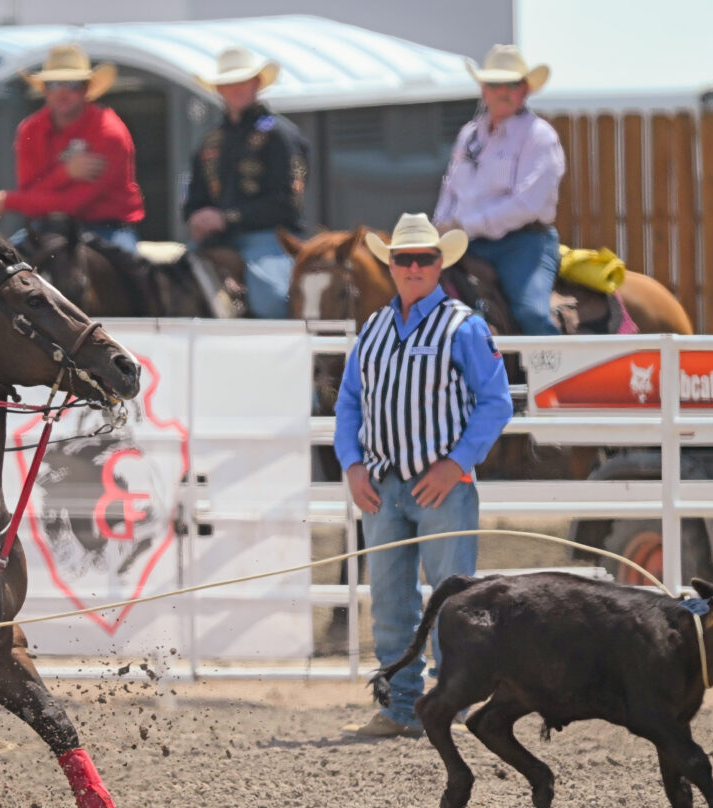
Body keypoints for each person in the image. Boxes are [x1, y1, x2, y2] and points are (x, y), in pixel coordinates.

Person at [335, 214, 512, 738]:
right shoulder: (373, 328)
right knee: (390, 599)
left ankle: (451, 704)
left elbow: (496, 402)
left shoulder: (465, 326)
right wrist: (352, 464)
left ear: (440, 264)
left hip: (442, 487)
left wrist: (455, 464)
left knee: (452, 600)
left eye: (424, 259)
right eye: (404, 259)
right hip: (383, 484)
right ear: (390, 265)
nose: (414, 267)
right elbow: (349, 402)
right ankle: (401, 705)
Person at [434, 44, 564, 338]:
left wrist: (462, 225)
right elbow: (450, 189)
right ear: (483, 89)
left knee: (530, 312)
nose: (502, 90)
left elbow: (526, 205)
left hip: (522, 244)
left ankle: (556, 377)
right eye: (494, 84)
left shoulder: (540, 136)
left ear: (525, 90)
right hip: (464, 242)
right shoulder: (469, 134)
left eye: (512, 84)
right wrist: (438, 226)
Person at [182, 45, 308, 319]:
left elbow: (286, 205)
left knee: (272, 300)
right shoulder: (209, 141)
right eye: (228, 83)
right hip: (214, 241)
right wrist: (195, 218)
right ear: (219, 90)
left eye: (243, 81)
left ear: (257, 83)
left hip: (269, 238)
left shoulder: (281, 135)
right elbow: (194, 198)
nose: (235, 88)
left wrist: (226, 218)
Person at [0, 44, 145, 254]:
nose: (62, 91)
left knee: (130, 276)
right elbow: (30, 193)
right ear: (43, 89)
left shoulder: (109, 132)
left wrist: (9, 200)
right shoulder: (30, 129)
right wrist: (67, 173)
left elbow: (76, 203)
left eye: (72, 83)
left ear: (86, 88)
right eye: (53, 84)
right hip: (46, 228)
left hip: (107, 228)